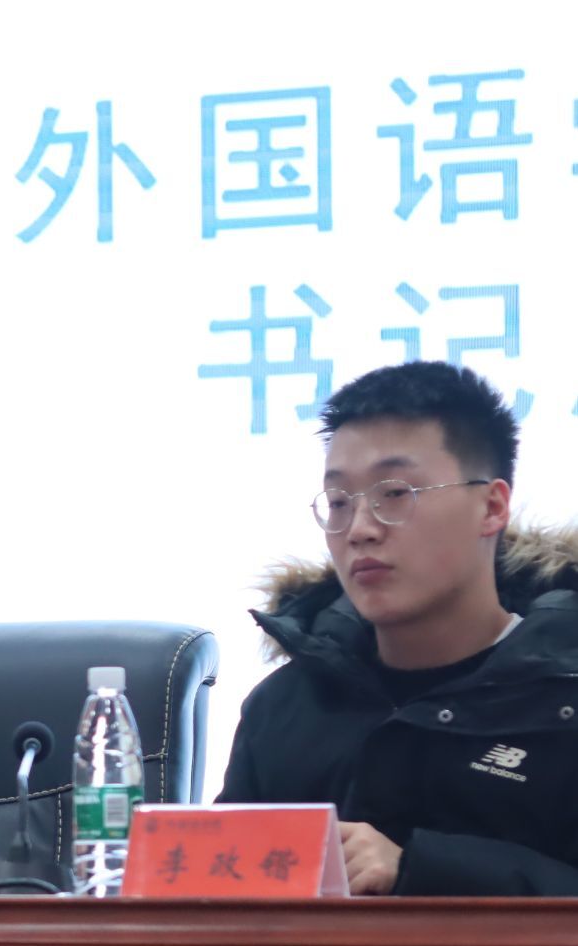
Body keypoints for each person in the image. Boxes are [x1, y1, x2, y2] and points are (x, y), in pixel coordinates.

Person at [218, 360, 578, 895]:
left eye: (396, 494)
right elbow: (223, 900)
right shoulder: (286, 706)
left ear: (491, 506)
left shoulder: (563, 696)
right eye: (339, 502)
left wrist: (420, 869)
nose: (360, 529)